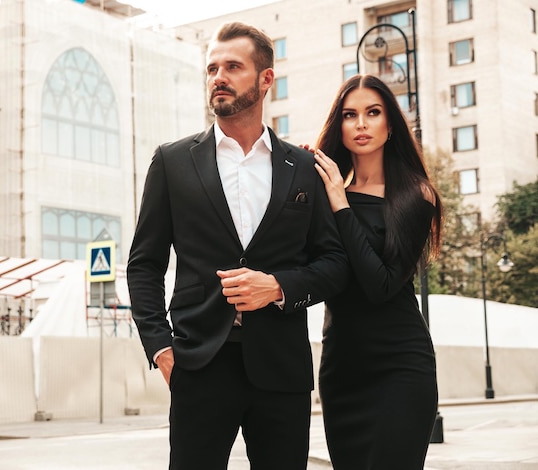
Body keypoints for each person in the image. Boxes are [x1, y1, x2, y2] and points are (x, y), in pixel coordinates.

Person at [127, 21, 349, 470]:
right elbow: (144, 265)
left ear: (266, 79)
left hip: (281, 368)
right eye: (211, 68)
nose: (218, 78)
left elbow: (335, 263)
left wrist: (279, 287)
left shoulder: (302, 167)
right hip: (199, 363)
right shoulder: (172, 162)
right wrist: (160, 348)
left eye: (232, 66)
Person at [309, 74, 443, 469]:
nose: (362, 124)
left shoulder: (415, 195)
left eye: (373, 112)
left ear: (390, 124)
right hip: (342, 369)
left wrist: (340, 205)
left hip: (399, 366)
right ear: (340, 125)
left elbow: (380, 284)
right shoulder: (325, 193)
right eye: (350, 115)